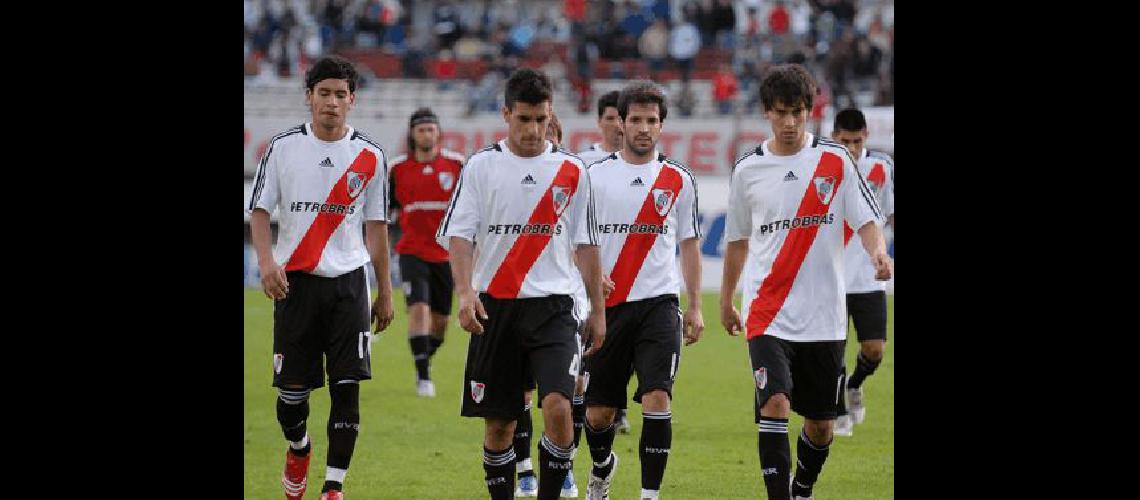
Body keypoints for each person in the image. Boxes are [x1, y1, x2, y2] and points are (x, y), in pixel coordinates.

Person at [719, 64, 892, 500]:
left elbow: (867, 219)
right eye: (782, 113)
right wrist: (725, 301)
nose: (791, 122)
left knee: (820, 427)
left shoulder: (834, 160)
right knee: (774, 404)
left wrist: (878, 251)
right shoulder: (748, 170)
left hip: (824, 317)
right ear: (766, 113)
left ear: (810, 110)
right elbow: (737, 242)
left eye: (799, 112)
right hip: (767, 312)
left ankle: (802, 488)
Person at [437, 68, 607, 500]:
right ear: (506, 114)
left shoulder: (571, 170)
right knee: (500, 425)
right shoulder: (481, 166)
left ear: (551, 117)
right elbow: (459, 235)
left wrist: (598, 311)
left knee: (558, 406)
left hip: (554, 307)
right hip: (496, 307)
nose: (534, 130)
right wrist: (464, 292)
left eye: (542, 120)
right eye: (524, 119)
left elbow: (586, 244)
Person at [246, 55, 395, 500]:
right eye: (324, 93)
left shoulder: (370, 156)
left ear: (352, 100)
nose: (332, 102)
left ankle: (333, 487)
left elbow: (377, 228)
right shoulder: (283, 148)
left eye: (340, 95)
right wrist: (267, 263)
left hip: (350, 283)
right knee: (292, 401)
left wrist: (384, 290)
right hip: (295, 285)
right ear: (309, 97)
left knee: (347, 390)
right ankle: (300, 446)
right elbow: (258, 212)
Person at [581, 82, 704, 500]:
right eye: (635, 119)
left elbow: (689, 244)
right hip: (606, 308)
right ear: (620, 122)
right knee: (599, 415)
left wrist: (696, 306)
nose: (644, 128)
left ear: (662, 125)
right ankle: (602, 466)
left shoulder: (679, 179)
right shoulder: (593, 177)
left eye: (652, 120)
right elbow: (570, 240)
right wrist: (589, 277)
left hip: (659, 306)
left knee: (657, 398)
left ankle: (649, 495)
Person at [514, 109, 582, 498]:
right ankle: (525, 469)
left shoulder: (572, 178)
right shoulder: (513, 178)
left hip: (569, 300)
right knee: (523, 394)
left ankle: (563, 466)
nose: (543, 135)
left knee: (567, 393)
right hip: (520, 300)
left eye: (551, 129)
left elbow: (589, 239)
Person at [388, 107, 465, 398]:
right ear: (412, 134)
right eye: (421, 129)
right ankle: (423, 377)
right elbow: (386, 213)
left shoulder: (457, 166)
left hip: (446, 256)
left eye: (431, 129)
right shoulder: (397, 169)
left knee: (441, 322)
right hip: (411, 252)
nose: (426, 134)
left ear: (438, 133)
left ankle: (423, 356)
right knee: (418, 308)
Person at [828, 108, 895, 437]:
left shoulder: (881, 167)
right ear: (834, 137)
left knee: (875, 349)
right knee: (833, 349)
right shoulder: (823, 168)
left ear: (866, 136)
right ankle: (838, 411)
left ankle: (854, 386)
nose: (851, 148)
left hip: (869, 277)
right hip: (832, 277)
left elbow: (890, 214)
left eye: (856, 141)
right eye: (845, 141)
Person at [575, 90, 632, 436]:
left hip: (630, 272)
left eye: (619, 118)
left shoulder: (645, 164)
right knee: (590, 350)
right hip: (589, 273)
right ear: (600, 122)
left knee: (629, 349)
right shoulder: (584, 163)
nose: (616, 125)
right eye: (609, 118)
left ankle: (618, 406)